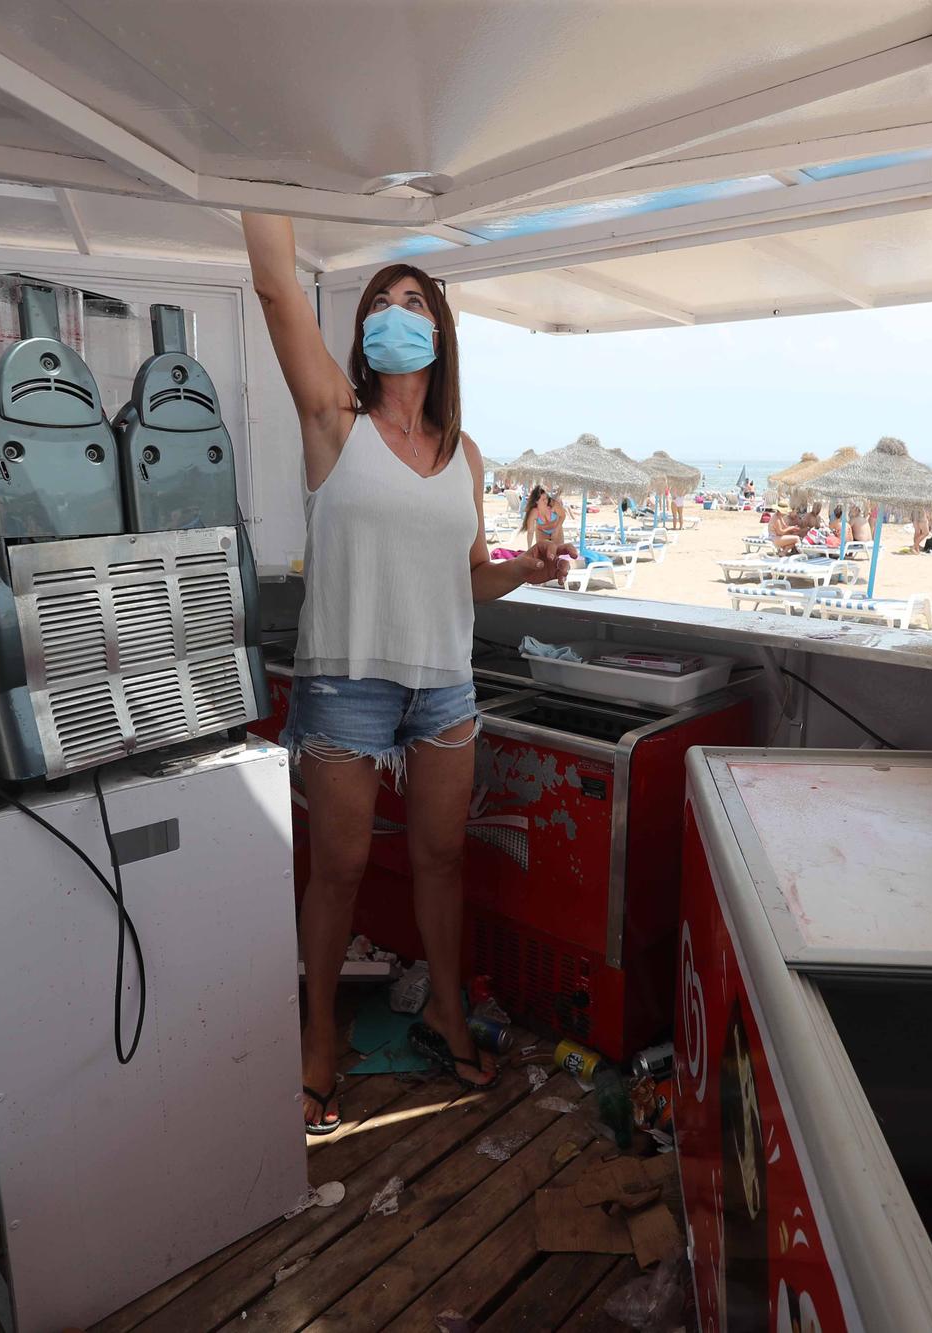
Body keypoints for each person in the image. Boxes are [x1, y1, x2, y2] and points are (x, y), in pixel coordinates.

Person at [242, 213, 572, 1134]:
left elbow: (469, 575)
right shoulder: (332, 420)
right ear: (359, 334)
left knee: (439, 858)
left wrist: (526, 569)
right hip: (344, 684)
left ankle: (445, 1008)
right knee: (339, 866)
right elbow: (273, 286)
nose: (397, 315)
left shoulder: (464, 455)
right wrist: (260, 169)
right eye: (381, 304)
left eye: (414, 303)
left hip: (445, 687)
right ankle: (317, 1039)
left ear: (439, 331)